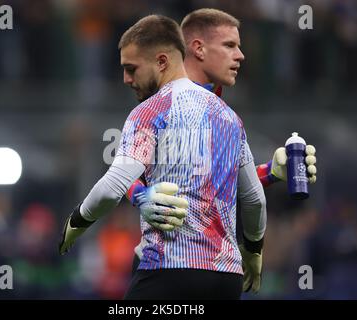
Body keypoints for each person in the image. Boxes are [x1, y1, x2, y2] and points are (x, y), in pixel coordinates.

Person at [59, 14, 266, 299]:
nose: (126, 78)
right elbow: (254, 199)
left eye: (131, 68)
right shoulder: (230, 118)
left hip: (169, 270)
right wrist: (253, 251)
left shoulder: (150, 111)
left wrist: (75, 223)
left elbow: (111, 189)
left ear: (161, 62)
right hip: (226, 279)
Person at [126, 8, 318, 294]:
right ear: (197, 49)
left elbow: (213, 185)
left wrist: (271, 172)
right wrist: (142, 197)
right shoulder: (162, 98)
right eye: (230, 46)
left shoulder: (220, 109)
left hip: (205, 269)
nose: (240, 55)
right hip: (169, 264)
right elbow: (125, 175)